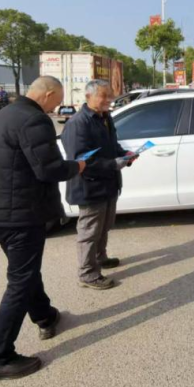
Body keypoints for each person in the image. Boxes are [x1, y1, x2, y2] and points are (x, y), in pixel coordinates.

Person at [0, 76, 86, 383]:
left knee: (26, 273)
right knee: (20, 282)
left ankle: (44, 315)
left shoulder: (3, 115)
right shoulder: (34, 119)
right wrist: (77, 166)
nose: (57, 106)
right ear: (47, 94)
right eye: (57, 100)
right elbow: (48, 169)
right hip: (19, 215)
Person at [61, 79, 133, 291]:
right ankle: (87, 273)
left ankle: (100, 258)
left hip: (108, 184)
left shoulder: (105, 117)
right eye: (104, 96)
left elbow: (112, 146)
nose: (109, 100)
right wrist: (113, 164)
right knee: (90, 231)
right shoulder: (78, 123)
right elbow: (80, 160)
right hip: (90, 187)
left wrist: (125, 155)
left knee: (104, 226)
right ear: (88, 97)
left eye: (110, 96)